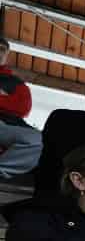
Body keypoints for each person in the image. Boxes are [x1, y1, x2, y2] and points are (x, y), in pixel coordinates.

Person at [0, 37, 40, 181]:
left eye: (2, 49)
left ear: (6, 55)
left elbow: (21, 108)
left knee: (39, 140)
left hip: (7, 126)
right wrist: (4, 99)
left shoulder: (17, 84)